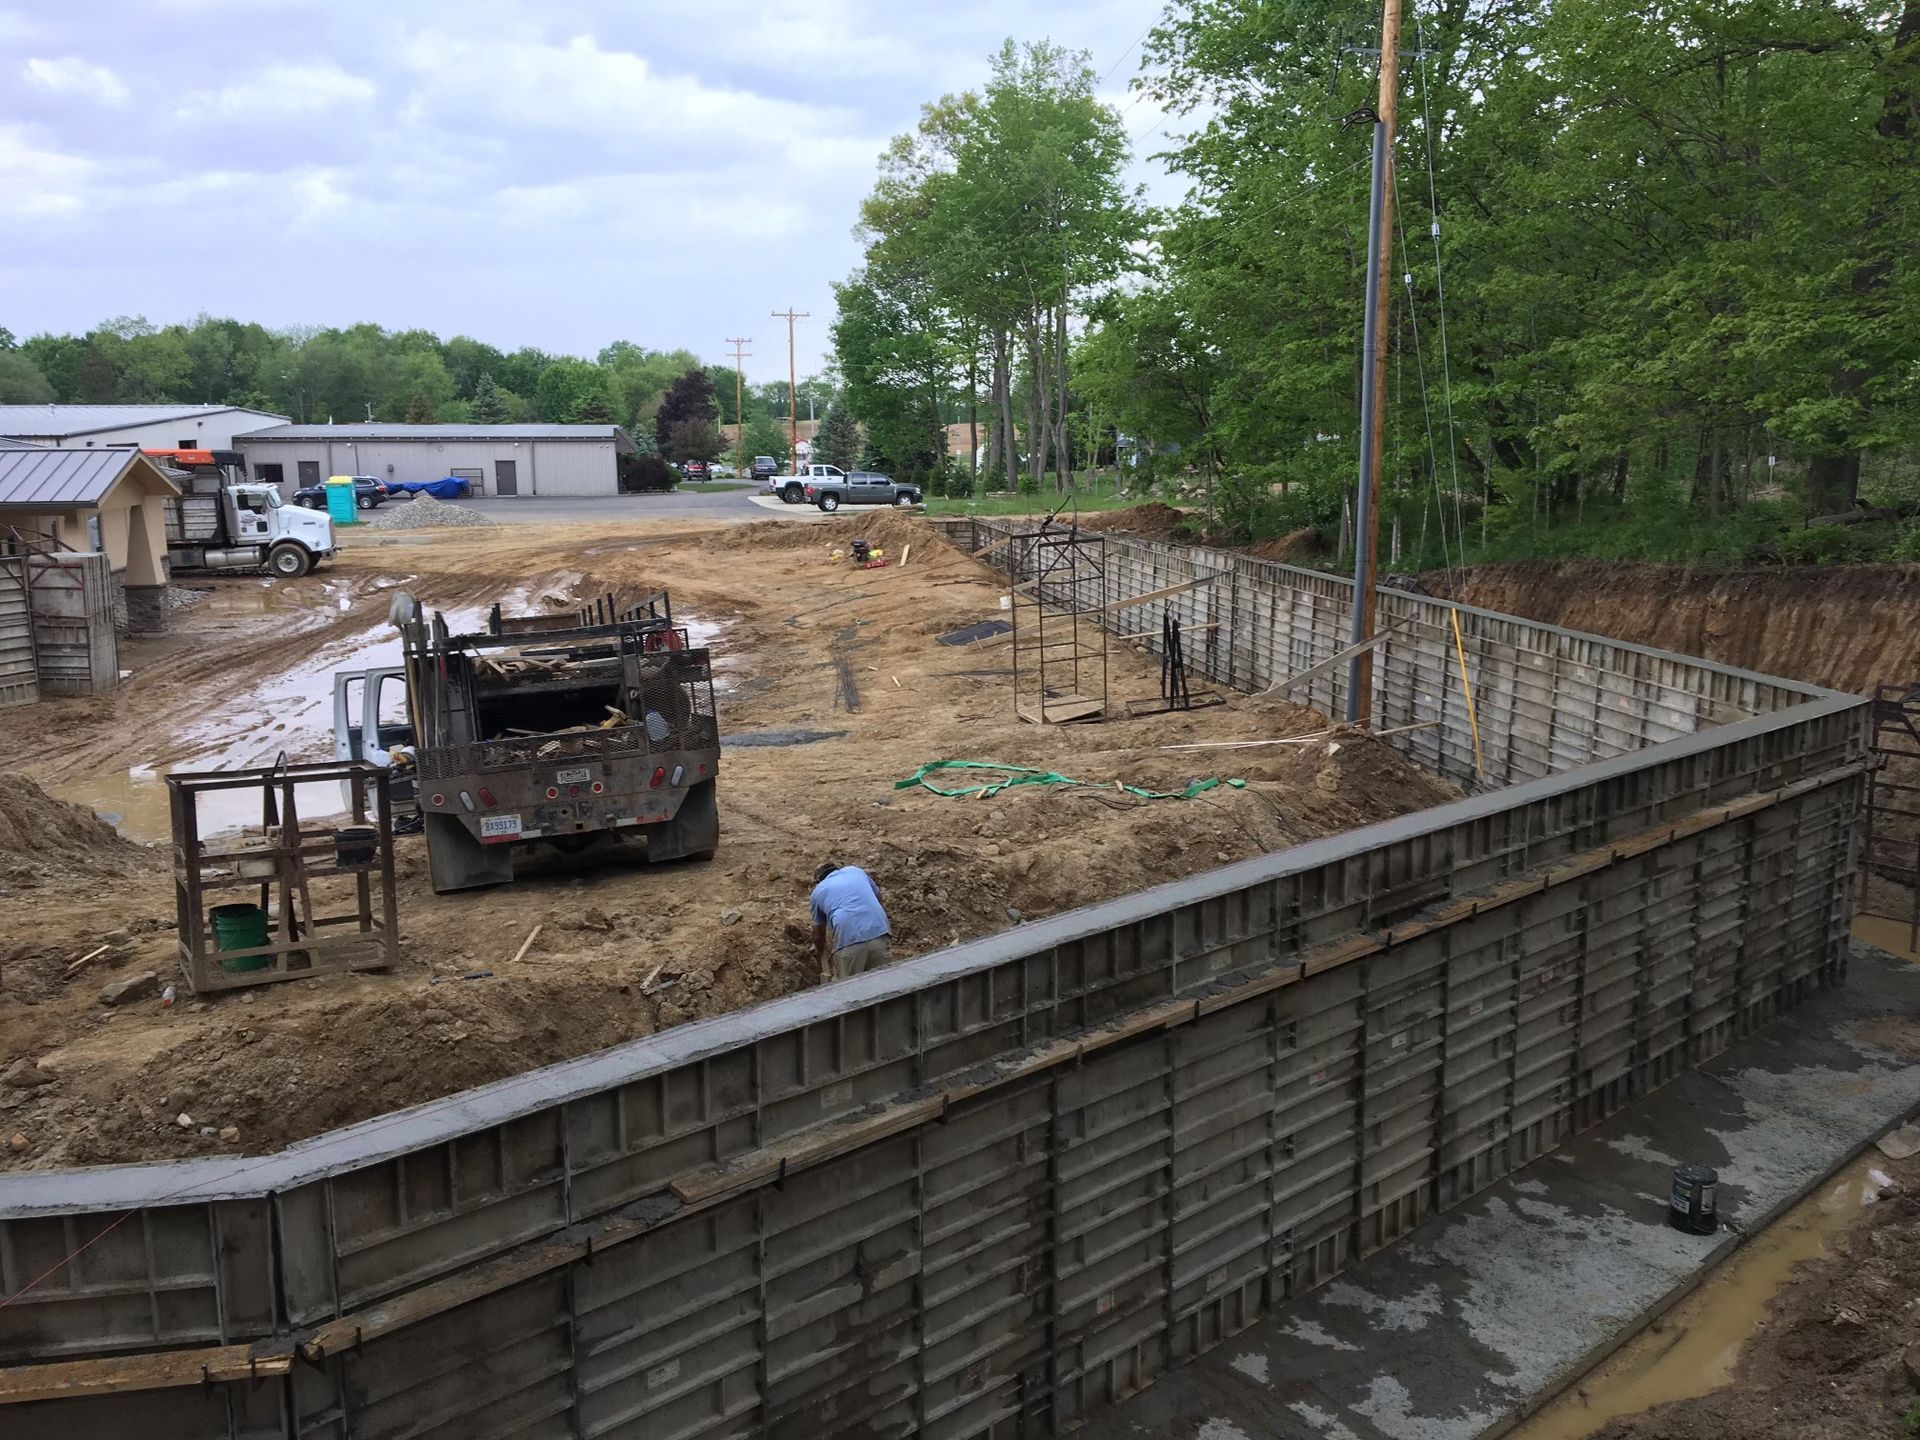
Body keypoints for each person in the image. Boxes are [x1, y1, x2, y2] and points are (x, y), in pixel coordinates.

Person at [810, 861, 892, 978]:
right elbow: (878, 898)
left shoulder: (818, 891)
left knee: (848, 989)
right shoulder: (856, 871)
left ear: (819, 880)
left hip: (849, 942)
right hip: (879, 932)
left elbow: (819, 934)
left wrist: (819, 950)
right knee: (884, 983)